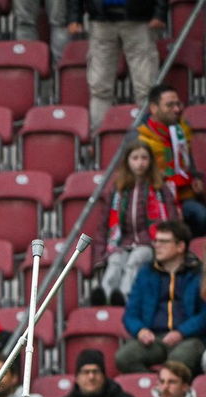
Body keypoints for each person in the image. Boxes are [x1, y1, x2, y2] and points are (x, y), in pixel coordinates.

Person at [93, 142, 179, 306]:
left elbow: (172, 219)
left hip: (150, 243)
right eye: (135, 158)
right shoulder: (118, 190)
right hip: (122, 241)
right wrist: (99, 256)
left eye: (144, 158)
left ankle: (123, 296)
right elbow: (104, 225)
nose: (140, 163)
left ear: (150, 161)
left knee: (136, 259)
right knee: (115, 260)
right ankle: (105, 294)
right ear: (128, 161)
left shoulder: (160, 189)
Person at [116, 221, 206, 372]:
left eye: (163, 241)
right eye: (155, 241)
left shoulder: (197, 274)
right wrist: (140, 331)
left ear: (180, 246)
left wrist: (181, 332)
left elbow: (204, 315)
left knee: (178, 361)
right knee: (124, 357)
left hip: (188, 338)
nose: (157, 245)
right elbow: (130, 314)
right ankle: (156, 387)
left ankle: (172, 388)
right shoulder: (145, 273)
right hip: (154, 339)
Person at [73, 0, 162, 135]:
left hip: (137, 20)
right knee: (99, 87)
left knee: (146, 87)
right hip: (102, 21)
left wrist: (159, 13)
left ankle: (150, 137)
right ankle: (99, 139)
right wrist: (74, 17)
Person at [137, 85, 206, 237]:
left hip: (185, 198)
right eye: (170, 105)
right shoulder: (140, 139)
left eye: (178, 104)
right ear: (154, 108)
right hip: (156, 202)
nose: (176, 109)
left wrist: (195, 179)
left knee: (201, 216)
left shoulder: (181, 131)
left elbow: (189, 166)